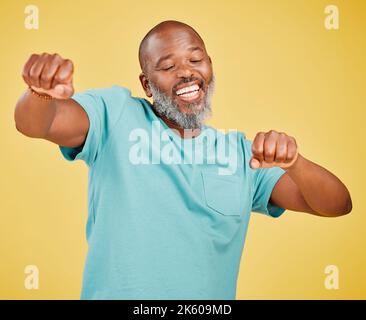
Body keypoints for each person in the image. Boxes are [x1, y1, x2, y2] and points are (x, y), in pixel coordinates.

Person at [14, 20, 352, 300]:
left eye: (195, 59)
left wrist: (295, 162)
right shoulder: (114, 115)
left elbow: (337, 204)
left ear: (210, 66)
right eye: (167, 66)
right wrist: (40, 93)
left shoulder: (241, 154)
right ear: (147, 84)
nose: (186, 73)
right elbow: (38, 124)